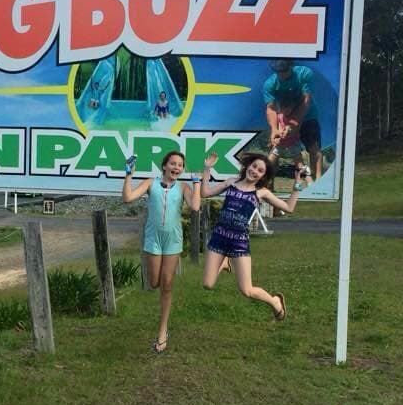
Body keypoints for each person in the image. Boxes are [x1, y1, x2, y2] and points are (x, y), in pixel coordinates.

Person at [202, 152, 305, 320]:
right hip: (219, 238)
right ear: (247, 166)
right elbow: (205, 193)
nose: (255, 171)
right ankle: (226, 261)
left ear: (263, 176)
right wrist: (207, 169)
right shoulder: (231, 182)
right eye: (254, 166)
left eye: (260, 170)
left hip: (239, 243)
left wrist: (297, 184)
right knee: (207, 284)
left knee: (247, 290)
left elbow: (289, 207)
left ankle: (275, 302)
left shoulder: (261, 192)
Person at [122, 150, 202, 353]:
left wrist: (196, 182)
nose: (176, 167)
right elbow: (128, 198)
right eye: (173, 163)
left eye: (180, 165)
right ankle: (162, 326)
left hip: (173, 241)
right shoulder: (151, 183)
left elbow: (195, 206)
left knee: (167, 285)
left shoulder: (183, 186)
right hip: (153, 240)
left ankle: (162, 331)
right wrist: (128, 174)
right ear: (164, 165)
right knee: (154, 282)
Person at [263, 60, 322, 179]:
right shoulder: (269, 84)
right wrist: (274, 129)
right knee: (273, 151)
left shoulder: (304, 73)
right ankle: (267, 184)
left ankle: (318, 182)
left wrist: (293, 124)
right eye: (278, 71)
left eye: (285, 70)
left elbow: (306, 100)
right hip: (283, 120)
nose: (282, 74)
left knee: (314, 148)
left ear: (291, 66)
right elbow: (271, 108)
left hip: (308, 117)